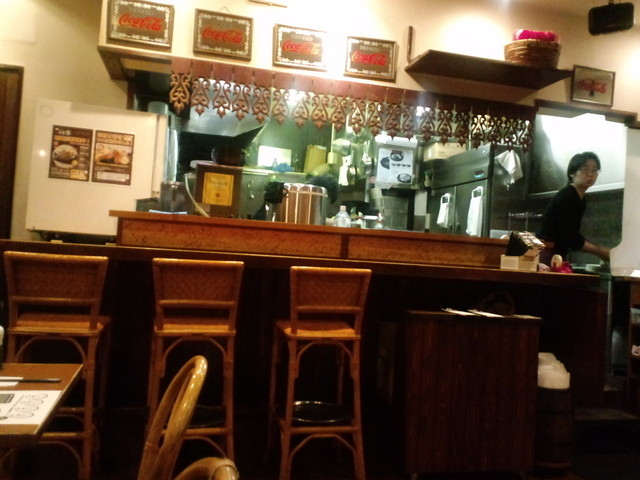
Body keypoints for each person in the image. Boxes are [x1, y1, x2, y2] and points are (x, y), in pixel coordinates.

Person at [536, 151, 610, 262]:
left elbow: (571, 236)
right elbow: (569, 237)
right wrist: (600, 251)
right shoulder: (568, 197)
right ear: (572, 173)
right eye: (585, 169)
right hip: (547, 253)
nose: (590, 174)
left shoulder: (578, 197)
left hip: (553, 253)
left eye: (594, 170)